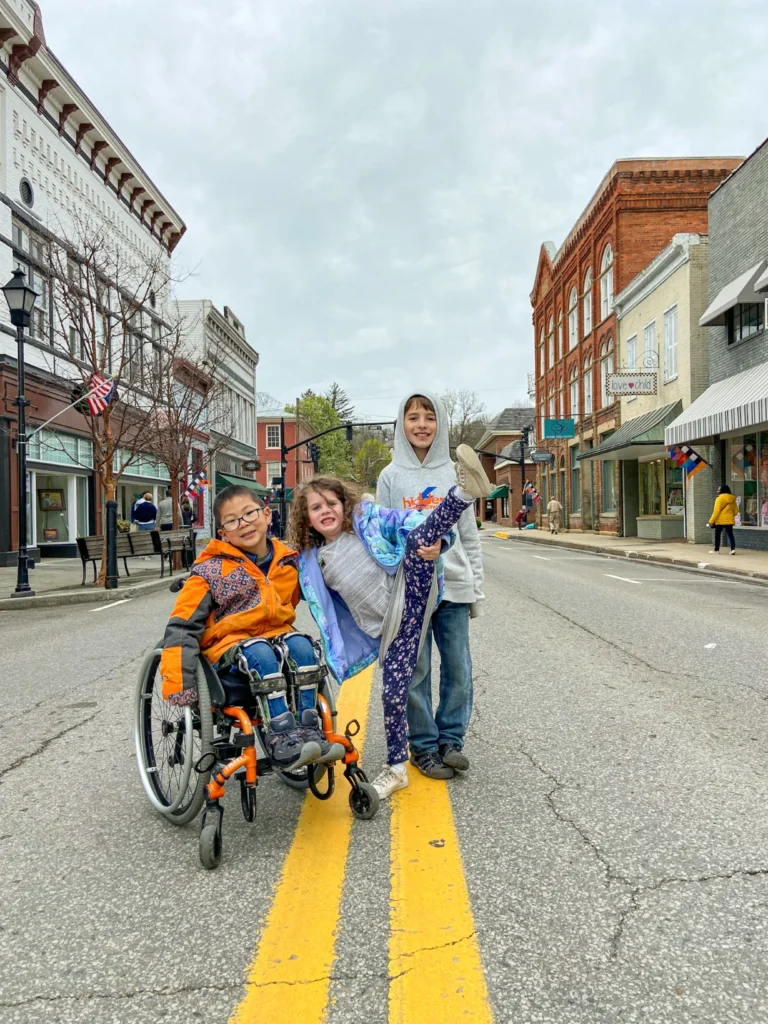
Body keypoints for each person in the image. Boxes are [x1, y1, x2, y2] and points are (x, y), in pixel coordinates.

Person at [290, 444, 491, 799]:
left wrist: (439, 540)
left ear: (345, 504)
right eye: (316, 507)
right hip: (388, 631)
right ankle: (397, 767)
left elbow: (407, 521)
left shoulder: (366, 521)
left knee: (416, 539)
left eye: (332, 503)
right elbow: (279, 577)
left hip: (408, 592)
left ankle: (462, 493)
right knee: (393, 695)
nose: (326, 511)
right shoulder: (310, 562)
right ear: (306, 518)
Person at [159, 485, 342, 769]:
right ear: (223, 533)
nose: (243, 523)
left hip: (276, 640)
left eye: (249, 513)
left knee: (302, 646)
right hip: (227, 650)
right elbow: (181, 627)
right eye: (232, 520)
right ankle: (280, 737)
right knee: (260, 652)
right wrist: (180, 684)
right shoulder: (210, 571)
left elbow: (321, 593)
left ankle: (308, 727)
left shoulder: (289, 561)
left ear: (267, 515)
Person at [376, 392, 483, 781]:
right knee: (416, 670)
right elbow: (386, 538)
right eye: (413, 417)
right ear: (401, 425)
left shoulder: (454, 474)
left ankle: (451, 740)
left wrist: (476, 590)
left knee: (459, 667)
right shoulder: (390, 476)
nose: (422, 424)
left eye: (430, 417)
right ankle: (422, 745)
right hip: (411, 591)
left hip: (452, 587)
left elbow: (469, 537)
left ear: (441, 425)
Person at [708, 484, 738, 555]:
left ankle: (716, 550)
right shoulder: (732, 499)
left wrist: (711, 521)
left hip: (720, 521)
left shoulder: (719, 499)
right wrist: (730, 515)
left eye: (719, 490)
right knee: (730, 535)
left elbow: (716, 511)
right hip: (729, 520)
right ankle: (732, 549)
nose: (717, 491)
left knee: (717, 535)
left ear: (722, 490)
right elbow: (736, 511)